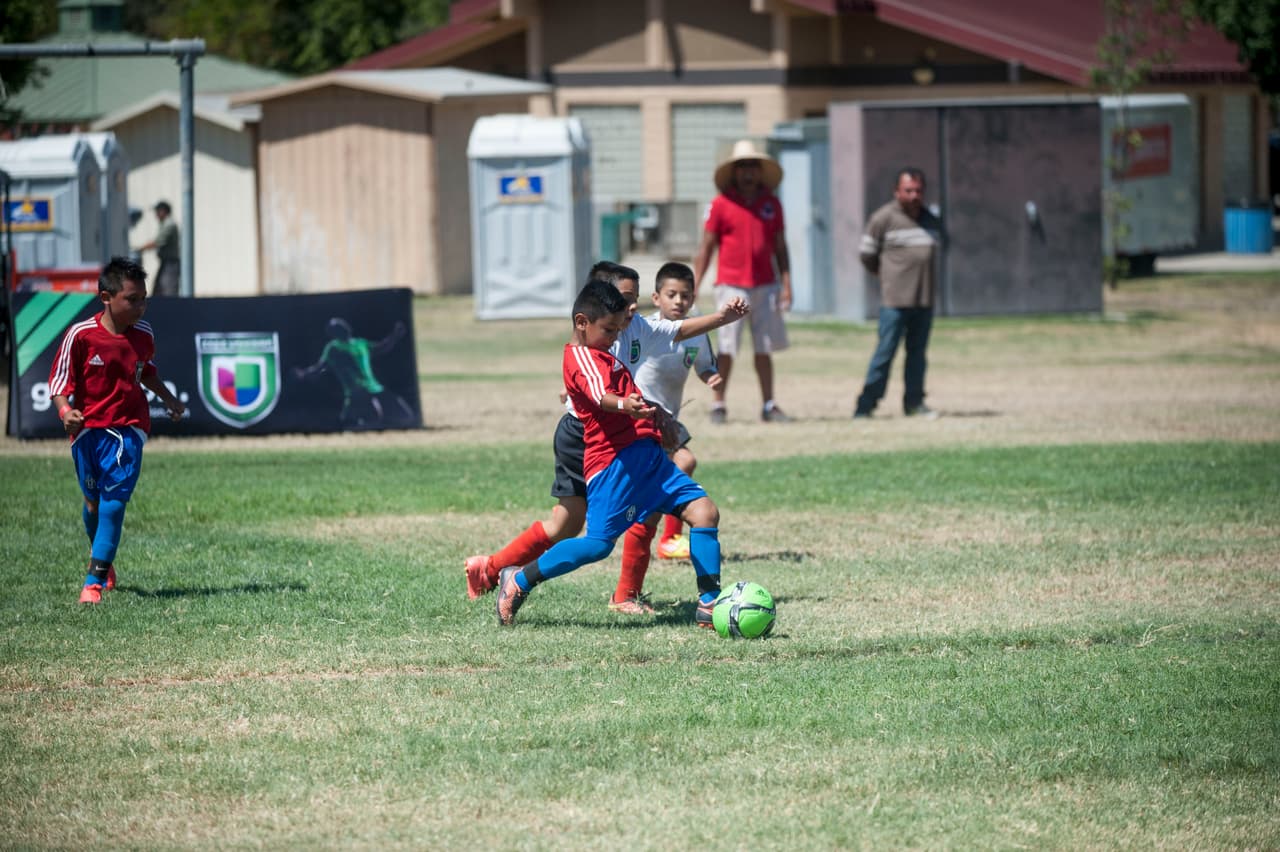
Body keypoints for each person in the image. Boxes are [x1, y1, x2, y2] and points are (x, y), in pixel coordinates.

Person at [464, 261, 748, 615]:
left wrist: (721, 320)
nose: (630, 309)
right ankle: (510, 576)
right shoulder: (590, 349)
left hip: (642, 449)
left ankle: (706, 604)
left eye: (633, 301)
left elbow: (675, 331)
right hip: (599, 448)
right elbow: (598, 392)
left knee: (704, 512)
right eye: (623, 300)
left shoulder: (628, 327)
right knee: (582, 535)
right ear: (596, 306)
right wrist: (627, 404)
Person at [48, 256, 186, 603]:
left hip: (128, 427)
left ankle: (92, 583)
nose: (141, 306)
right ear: (106, 298)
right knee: (92, 503)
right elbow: (60, 383)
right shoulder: (80, 336)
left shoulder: (144, 334)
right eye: (132, 299)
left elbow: (146, 371)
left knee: (113, 501)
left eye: (143, 298)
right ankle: (103, 560)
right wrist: (66, 411)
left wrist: (168, 399)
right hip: (87, 431)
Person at [692, 138, 793, 424]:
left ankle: (769, 404)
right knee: (727, 347)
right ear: (735, 172)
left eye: (753, 166)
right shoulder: (721, 204)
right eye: (742, 167)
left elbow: (781, 247)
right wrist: (696, 283)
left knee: (763, 346)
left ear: (760, 171)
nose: (748, 172)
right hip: (731, 283)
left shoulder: (771, 204)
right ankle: (718, 404)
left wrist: (787, 282)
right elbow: (707, 246)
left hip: (765, 283)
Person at [633, 261, 722, 563]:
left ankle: (661, 533)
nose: (679, 301)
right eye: (671, 295)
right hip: (642, 415)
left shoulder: (696, 332)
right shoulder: (645, 330)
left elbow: (705, 364)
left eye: (685, 296)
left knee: (668, 470)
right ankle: (667, 537)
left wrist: (710, 375)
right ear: (656, 298)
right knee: (684, 461)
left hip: (670, 417)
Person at [853, 167, 943, 419]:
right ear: (897, 191)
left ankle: (914, 403)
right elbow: (866, 254)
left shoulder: (930, 219)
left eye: (918, 190)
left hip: (923, 300)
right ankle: (865, 405)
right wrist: (885, 276)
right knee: (885, 353)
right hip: (894, 301)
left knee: (917, 355)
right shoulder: (883, 218)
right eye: (908, 190)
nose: (914, 195)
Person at [292, 317, 416, 429]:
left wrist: (395, 336)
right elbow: (320, 367)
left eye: (343, 324)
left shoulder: (361, 343)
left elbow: (381, 347)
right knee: (370, 419)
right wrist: (303, 374)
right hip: (357, 393)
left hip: (376, 388)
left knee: (406, 415)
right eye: (338, 327)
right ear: (334, 333)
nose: (343, 327)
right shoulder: (334, 348)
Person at [135, 201, 180, 297]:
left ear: (163, 211)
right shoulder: (164, 224)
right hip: (166, 263)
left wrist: (140, 249)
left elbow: (157, 242)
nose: (156, 215)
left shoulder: (169, 224)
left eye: (157, 211)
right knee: (158, 289)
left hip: (170, 264)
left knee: (168, 290)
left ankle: (171, 310)